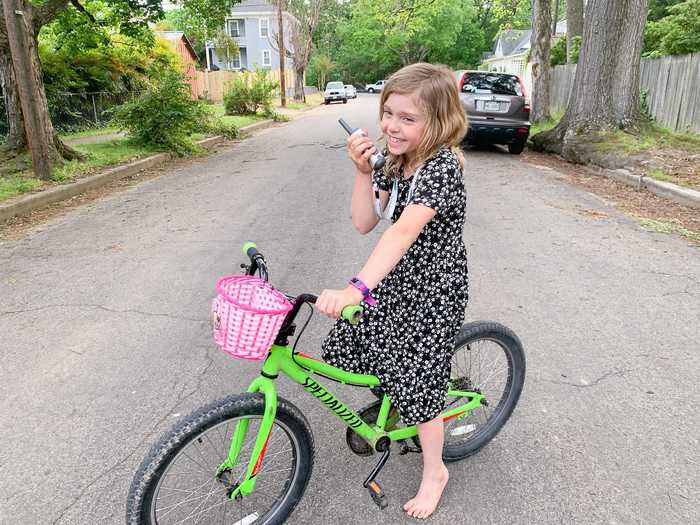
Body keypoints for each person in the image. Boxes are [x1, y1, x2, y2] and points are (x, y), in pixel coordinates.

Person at [316, 62, 469, 520]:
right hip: (395, 280)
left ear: (438, 122)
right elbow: (366, 222)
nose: (392, 126)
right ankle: (397, 403)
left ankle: (435, 471)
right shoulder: (397, 159)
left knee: (420, 387)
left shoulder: (442, 167)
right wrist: (362, 170)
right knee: (367, 350)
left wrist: (355, 289)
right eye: (389, 113)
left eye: (408, 118)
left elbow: (400, 233)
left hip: (433, 290)